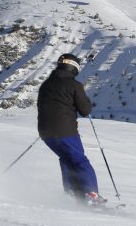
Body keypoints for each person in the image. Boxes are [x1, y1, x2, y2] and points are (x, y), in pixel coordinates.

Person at [37, 53, 104, 205]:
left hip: (45, 132)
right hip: (65, 131)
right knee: (79, 160)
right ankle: (91, 194)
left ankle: (72, 194)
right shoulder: (74, 85)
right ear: (74, 68)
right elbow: (85, 110)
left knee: (66, 159)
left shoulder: (46, 84)